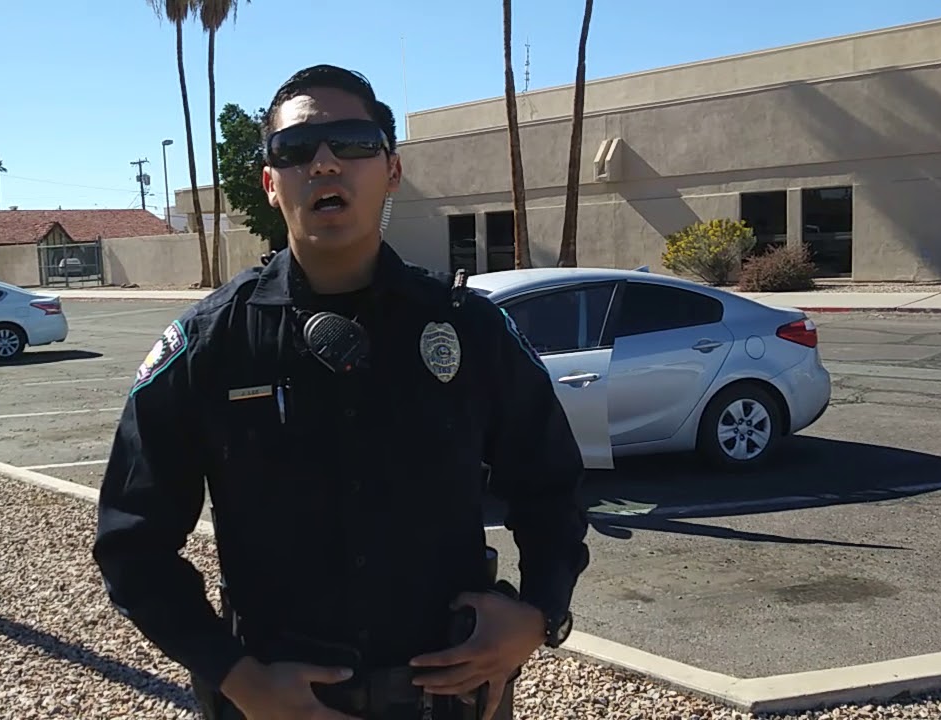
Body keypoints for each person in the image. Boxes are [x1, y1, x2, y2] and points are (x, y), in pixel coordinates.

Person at [93, 64, 590, 720]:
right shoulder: (212, 346)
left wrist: (539, 614)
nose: (324, 164)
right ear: (271, 185)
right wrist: (237, 676)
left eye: (352, 142)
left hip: (448, 703)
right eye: (296, 151)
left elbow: (553, 484)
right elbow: (132, 541)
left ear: (391, 169)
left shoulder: (467, 329)